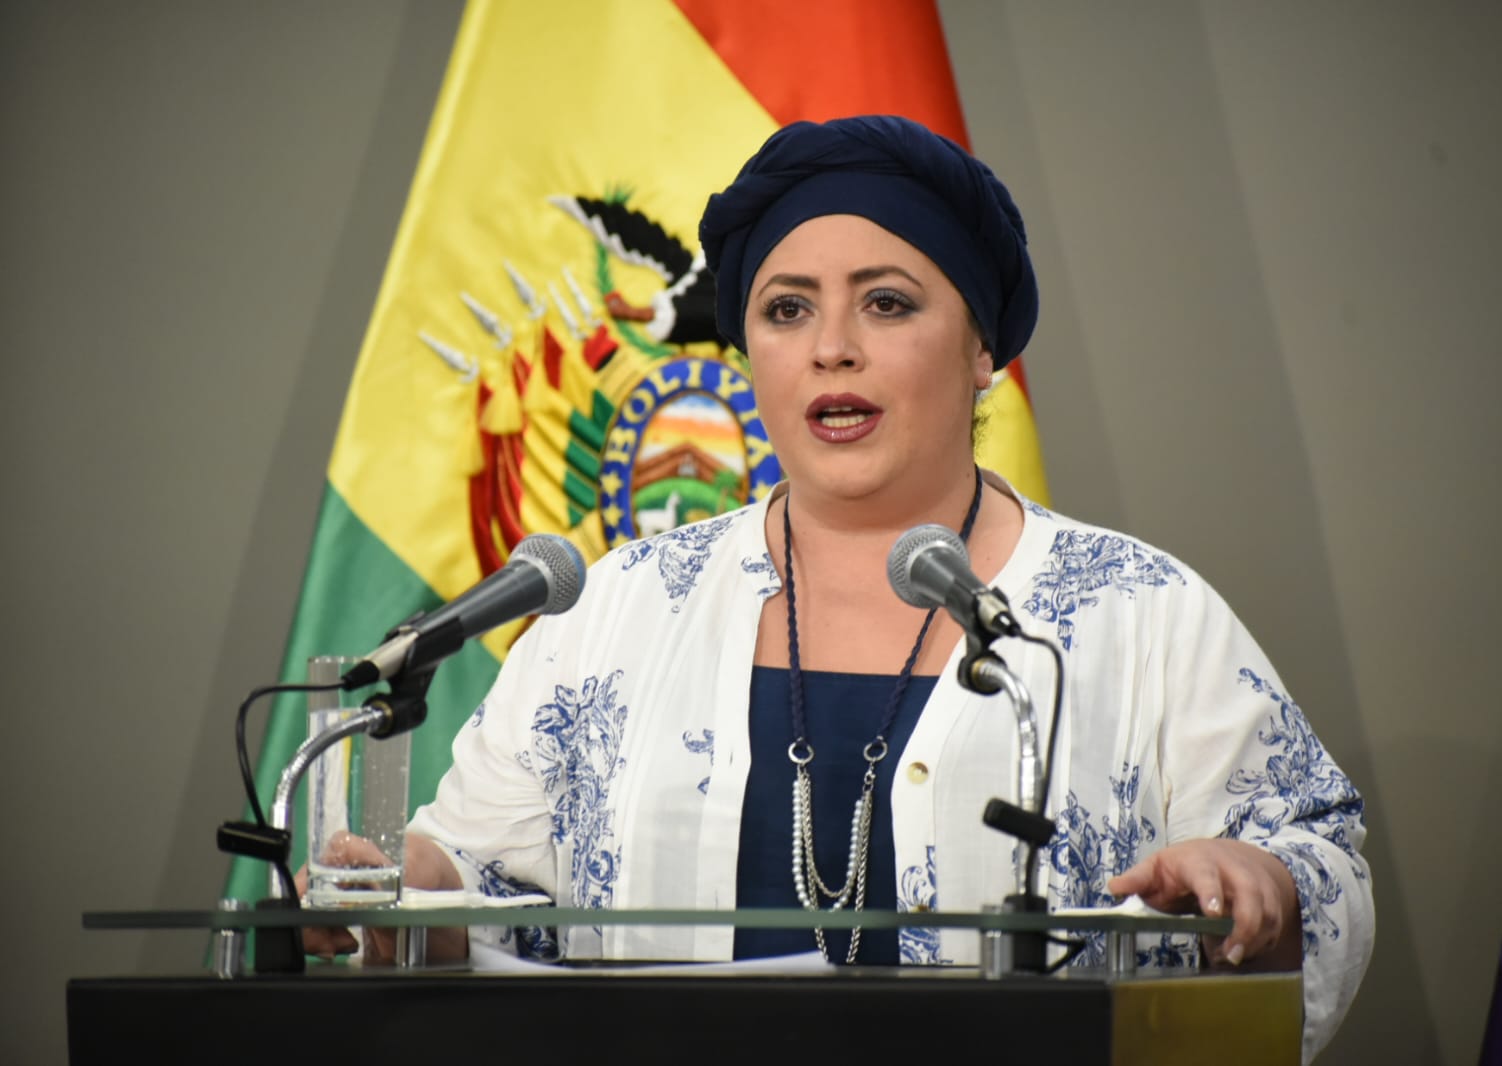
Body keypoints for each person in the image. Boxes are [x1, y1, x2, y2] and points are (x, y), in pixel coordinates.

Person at [302, 114, 1372, 1061]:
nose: (832, 350)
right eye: (786, 310)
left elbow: (1314, 862)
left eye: (888, 303)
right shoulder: (618, 610)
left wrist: (1265, 886)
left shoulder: (1141, 611)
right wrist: (395, 894)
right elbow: (485, 885)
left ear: (983, 350)